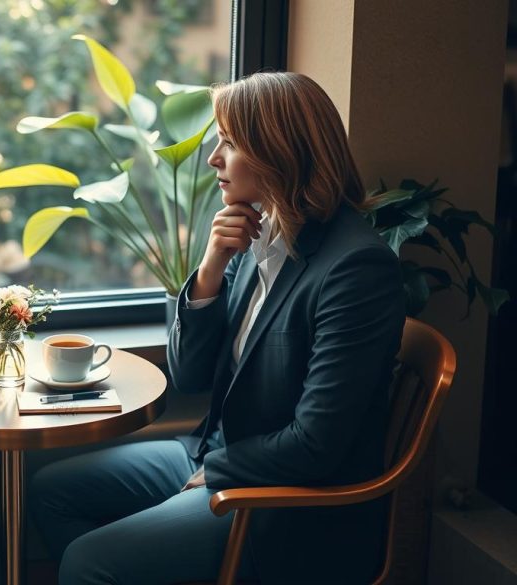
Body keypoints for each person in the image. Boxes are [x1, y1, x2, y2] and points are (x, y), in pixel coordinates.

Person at [30, 71, 406, 584]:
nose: (213, 159)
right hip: (215, 450)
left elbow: (317, 444)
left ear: (278, 150)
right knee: (51, 489)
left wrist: (221, 470)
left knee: (87, 561)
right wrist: (209, 271)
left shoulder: (355, 268)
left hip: (284, 501)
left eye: (228, 143)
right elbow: (190, 376)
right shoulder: (257, 231)